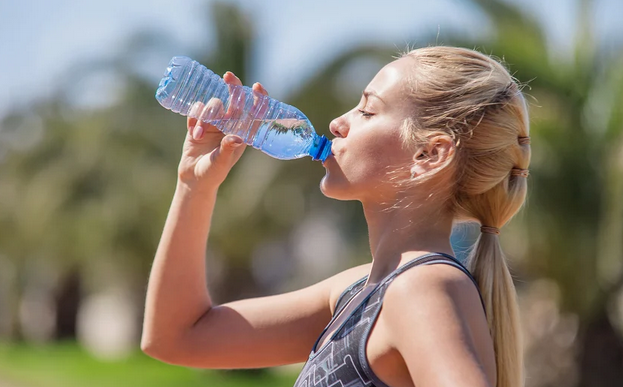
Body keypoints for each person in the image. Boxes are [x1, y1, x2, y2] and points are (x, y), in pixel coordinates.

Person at [141, 46, 530, 387]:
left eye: (366, 109)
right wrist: (194, 184)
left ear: (429, 155)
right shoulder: (358, 292)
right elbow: (177, 337)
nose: (336, 123)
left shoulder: (422, 287)